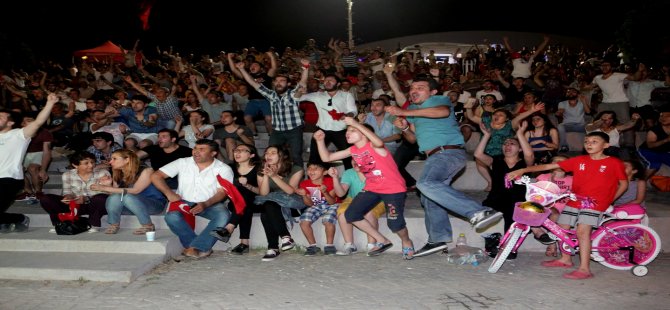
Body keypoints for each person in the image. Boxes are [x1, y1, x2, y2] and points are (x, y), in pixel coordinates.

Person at [384, 73, 503, 258]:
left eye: (420, 88)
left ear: (432, 91)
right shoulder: (416, 112)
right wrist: (405, 127)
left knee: (426, 184)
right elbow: (413, 139)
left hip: (448, 152)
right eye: (413, 88)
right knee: (428, 196)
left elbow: (443, 112)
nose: (414, 91)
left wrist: (405, 112)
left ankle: (479, 212)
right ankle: (437, 238)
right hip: (433, 155)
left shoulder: (439, 101)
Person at [507, 131, 628, 280]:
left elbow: (623, 183)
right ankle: (565, 259)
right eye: (587, 141)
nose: (589, 144)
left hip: (596, 203)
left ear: (606, 145)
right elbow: (548, 166)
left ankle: (585, 269)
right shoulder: (580, 160)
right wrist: (523, 169)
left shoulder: (614, 162)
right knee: (561, 228)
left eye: (594, 141)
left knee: (582, 232)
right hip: (575, 199)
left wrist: (610, 200)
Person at [314, 117, 415, 259]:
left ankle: (406, 241)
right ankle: (382, 240)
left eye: (352, 131)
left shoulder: (374, 146)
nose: (347, 133)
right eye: (347, 131)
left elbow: (379, 141)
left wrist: (356, 123)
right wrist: (319, 141)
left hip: (393, 189)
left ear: (364, 133)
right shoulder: (353, 150)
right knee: (351, 214)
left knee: (395, 224)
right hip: (372, 188)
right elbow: (326, 157)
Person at [151, 139, 234, 259]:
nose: (196, 152)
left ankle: (196, 247)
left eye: (202, 149)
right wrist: (169, 193)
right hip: (184, 202)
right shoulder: (183, 162)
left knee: (224, 215)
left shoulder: (223, 168)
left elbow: (222, 192)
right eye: (195, 148)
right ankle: (197, 247)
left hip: (210, 203)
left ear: (213, 153)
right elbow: (156, 176)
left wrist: (205, 204)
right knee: (171, 217)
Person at [234, 58, 309, 166]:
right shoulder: (271, 95)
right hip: (277, 131)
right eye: (277, 81)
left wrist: (305, 68)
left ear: (288, 84)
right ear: (273, 83)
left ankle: (299, 179)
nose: (279, 83)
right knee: (270, 155)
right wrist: (242, 69)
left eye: (282, 81)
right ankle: (272, 176)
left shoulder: (293, 94)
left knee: (296, 155)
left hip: (294, 130)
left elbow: (302, 83)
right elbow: (252, 82)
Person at [1, 93, 58, 232]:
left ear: (10, 122)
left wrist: (49, 104)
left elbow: (38, 123)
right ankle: (9, 220)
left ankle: (20, 219)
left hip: (9, 178)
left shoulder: (19, 135)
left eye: (1, 117)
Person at [475, 120, 535, 236]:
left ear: (520, 149)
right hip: (496, 199)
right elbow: (478, 155)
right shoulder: (496, 161)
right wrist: (486, 135)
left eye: (512, 143)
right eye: (505, 144)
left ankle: (509, 245)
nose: (507, 145)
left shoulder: (525, 165)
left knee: (512, 209)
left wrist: (520, 134)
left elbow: (530, 155)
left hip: (517, 200)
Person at [90, 149, 166, 235]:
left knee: (127, 196)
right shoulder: (117, 172)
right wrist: (108, 185)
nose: (110, 162)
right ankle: (114, 224)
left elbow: (136, 190)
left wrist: (105, 188)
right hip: (130, 206)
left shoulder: (146, 170)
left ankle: (148, 225)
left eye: (114, 159)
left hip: (153, 204)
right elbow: (115, 195)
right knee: (114, 197)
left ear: (127, 160)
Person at [253, 144, 305, 261]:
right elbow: (264, 194)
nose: (268, 155)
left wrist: (275, 176)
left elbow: (290, 191)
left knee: (268, 208)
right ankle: (285, 238)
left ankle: (273, 248)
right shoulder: (261, 171)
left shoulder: (296, 169)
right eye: (267, 153)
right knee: (268, 207)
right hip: (272, 203)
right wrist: (266, 176)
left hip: (291, 204)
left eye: (273, 153)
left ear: (282, 156)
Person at [209, 143, 262, 255]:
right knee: (243, 205)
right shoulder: (229, 168)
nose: (237, 152)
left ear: (251, 155)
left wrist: (247, 185)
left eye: (243, 150)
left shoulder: (258, 169)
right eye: (236, 150)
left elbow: (261, 192)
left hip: (256, 201)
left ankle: (230, 228)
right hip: (235, 203)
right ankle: (243, 242)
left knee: (245, 200)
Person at [39, 151, 109, 232]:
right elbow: (67, 192)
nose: (91, 165)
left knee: (100, 199)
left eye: (92, 162)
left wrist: (86, 199)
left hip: (94, 205)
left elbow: (107, 193)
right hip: (75, 205)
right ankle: (60, 224)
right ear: (75, 165)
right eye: (86, 163)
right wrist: (68, 197)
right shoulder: (67, 175)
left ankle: (93, 223)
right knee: (46, 199)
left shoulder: (102, 173)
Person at [300, 74, 358, 170]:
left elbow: (353, 111)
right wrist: (299, 91)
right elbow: (297, 98)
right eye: (326, 80)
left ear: (338, 83)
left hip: (342, 131)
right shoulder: (318, 95)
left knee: (348, 158)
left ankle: (351, 179)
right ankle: (314, 180)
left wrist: (347, 116)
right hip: (322, 130)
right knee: (315, 157)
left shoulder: (346, 95)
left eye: (331, 80)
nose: (327, 82)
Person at [331, 158, 387, 256]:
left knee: (368, 212)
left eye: (358, 159)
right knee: (343, 212)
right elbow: (340, 194)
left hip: (376, 199)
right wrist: (335, 178)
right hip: (353, 199)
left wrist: (362, 173)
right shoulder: (349, 172)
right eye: (353, 159)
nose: (355, 162)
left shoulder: (376, 171)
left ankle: (372, 245)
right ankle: (349, 245)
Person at [295, 162, 340, 256]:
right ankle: (313, 245)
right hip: (315, 205)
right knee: (304, 221)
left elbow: (332, 202)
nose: (311, 171)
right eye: (309, 168)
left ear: (324, 172)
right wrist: (304, 196)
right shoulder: (304, 183)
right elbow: (310, 204)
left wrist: (325, 192)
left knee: (328, 220)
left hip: (332, 204)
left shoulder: (331, 181)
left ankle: (329, 245)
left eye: (315, 168)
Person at [535, 155, 573, 257]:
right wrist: (550, 180)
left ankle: (553, 244)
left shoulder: (573, 179)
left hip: (567, 208)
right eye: (556, 161)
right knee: (553, 213)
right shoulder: (543, 177)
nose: (559, 163)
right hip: (548, 207)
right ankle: (552, 244)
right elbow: (537, 195)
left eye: (563, 161)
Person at [17, 113, 53, 201]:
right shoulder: (17, 133)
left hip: (39, 152)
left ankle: (38, 191)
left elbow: (47, 151)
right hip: (23, 153)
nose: (28, 123)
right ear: (22, 124)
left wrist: (43, 170)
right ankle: (27, 191)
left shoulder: (44, 132)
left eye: (30, 120)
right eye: (26, 121)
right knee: (18, 169)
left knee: (33, 168)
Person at [637, 107, 670, 179]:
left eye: (667, 116)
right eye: (661, 116)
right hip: (647, 151)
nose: (663, 118)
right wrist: (666, 140)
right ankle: (641, 182)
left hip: (663, 152)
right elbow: (650, 145)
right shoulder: (654, 130)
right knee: (655, 164)